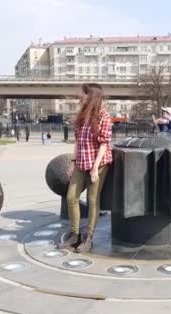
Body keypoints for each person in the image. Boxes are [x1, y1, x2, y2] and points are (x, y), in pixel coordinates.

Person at [58, 83, 113, 253]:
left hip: (98, 164)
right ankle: (74, 234)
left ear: (93, 96)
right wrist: (73, 163)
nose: (82, 96)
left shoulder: (104, 115)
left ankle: (88, 238)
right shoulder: (83, 114)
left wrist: (95, 168)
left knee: (92, 201)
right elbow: (78, 141)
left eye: (85, 94)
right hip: (82, 163)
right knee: (71, 197)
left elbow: (104, 144)